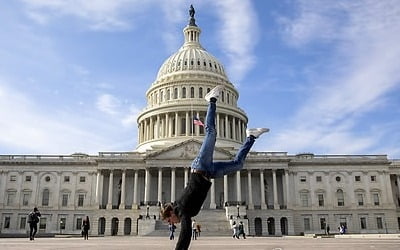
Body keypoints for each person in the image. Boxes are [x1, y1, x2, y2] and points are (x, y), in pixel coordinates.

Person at [160, 85, 269, 250]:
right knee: (238, 164)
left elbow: (185, 235)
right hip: (208, 173)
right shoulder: (181, 211)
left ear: (171, 214)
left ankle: (211, 99)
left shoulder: (181, 210)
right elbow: (185, 230)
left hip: (200, 166)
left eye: (169, 221)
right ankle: (251, 137)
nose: (172, 224)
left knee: (211, 133)